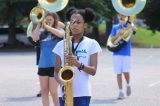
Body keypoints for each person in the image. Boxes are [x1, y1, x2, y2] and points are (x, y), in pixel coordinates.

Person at [53, 7, 102, 106]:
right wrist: (62, 83)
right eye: (72, 22)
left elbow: (93, 71)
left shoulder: (92, 44)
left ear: (85, 25)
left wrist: (78, 64)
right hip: (64, 93)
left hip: (83, 94)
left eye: (78, 22)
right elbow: (56, 71)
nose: (74, 25)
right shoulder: (60, 44)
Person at [32, 12, 65, 106]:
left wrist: (48, 27)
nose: (48, 21)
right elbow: (34, 38)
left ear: (55, 21)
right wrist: (39, 25)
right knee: (44, 91)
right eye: (46, 20)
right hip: (43, 65)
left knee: (54, 92)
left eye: (50, 20)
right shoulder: (41, 32)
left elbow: (61, 35)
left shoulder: (60, 30)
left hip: (55, 66)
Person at [109, 13, 137, 99]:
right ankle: (121, 91)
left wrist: (130, 24)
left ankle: (128, 84)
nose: (122, 17)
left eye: (124, 15)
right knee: (118, 73)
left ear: (126, 17)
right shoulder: (115, 27)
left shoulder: (129, 26)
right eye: (120, 15)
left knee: (126, 72)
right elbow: (111, 41)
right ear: (118, 16)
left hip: (126, 53)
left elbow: (135, 30)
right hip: (116, 53)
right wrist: (117, 35)